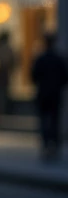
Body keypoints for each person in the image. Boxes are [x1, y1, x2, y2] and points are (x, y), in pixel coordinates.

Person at [31, 32, 68, 161]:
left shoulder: (41, 59)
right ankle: (54, 145)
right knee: (54, 120)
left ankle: (46, 144)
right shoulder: (59, 59)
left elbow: (34, 76)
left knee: (44, 121)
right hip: (55, 94)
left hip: (43, 94)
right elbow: (65, 77)